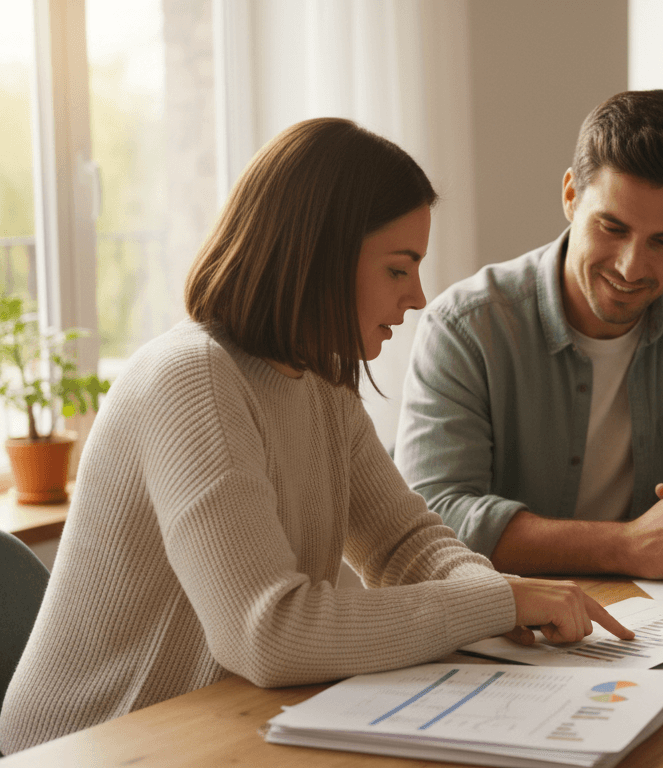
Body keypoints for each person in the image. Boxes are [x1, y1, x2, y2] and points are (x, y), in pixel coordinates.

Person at [0, 118, 629, 755]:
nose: (417, 297)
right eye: (398, 269)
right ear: (320, 258)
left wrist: (501, 600)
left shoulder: (322, 383)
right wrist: (498, 604)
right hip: (86, 745)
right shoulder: (193, 379)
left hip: (207, 729)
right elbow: (268, 633)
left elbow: (403, 544)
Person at [395, 90, 663, 587]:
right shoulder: (465, 326)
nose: (631, 267)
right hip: (516, 613)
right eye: (612, 227)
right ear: (570, 196)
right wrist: (625, 546)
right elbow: (433, 516)